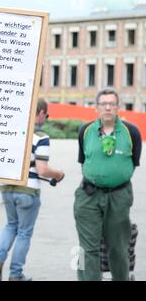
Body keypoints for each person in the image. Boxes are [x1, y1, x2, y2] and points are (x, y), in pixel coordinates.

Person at [0, 98, 64, 281]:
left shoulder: (10, 132)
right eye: (45, 115)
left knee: (10, 225)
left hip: (7, 188)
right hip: (28, 191)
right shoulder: (41, 137)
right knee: (24, 232)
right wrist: (58, 175)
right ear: (39, 113)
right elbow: (42, 169)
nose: (45, 119)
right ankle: (15, 275)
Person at [74, 88, 142, 281]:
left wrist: (115, 178)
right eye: (104, 104)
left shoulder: (132, 132)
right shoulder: (85, 131)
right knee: (88, 249)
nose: (108, 108)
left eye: (112, 104)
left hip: (119, 196)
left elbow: (134, 162)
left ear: (118, 107)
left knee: (118, 248)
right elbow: (84, 160)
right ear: (97, 108)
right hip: (88, 196)